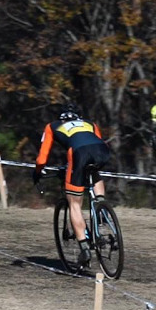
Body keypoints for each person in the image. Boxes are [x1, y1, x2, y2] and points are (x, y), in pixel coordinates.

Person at [34, 104, 111, 266]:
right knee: (94, 171)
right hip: (102, 151)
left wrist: (37, 172)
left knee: (74, 204)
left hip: (78, 153)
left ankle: (84, 247)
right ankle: (101, 207)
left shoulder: (52, 126)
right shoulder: (90, 123)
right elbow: (97, 140)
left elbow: (42, 159)